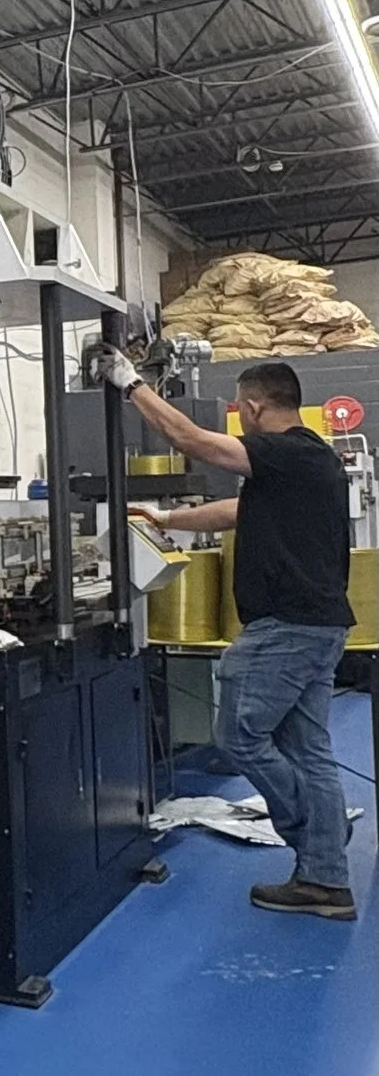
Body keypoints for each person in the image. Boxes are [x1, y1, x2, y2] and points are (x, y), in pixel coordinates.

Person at [99, 349, 358, 920]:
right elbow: (233, 512)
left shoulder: (287, 451)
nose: (237, 418)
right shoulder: (307, 461)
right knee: (309, 750)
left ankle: (318, 840)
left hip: (286, 629)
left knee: (239, 737)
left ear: (254, 406)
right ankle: (326, 882)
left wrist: (131, 385)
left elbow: (192, 441)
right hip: (317, 625)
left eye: (240, 408)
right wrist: (165, 520)